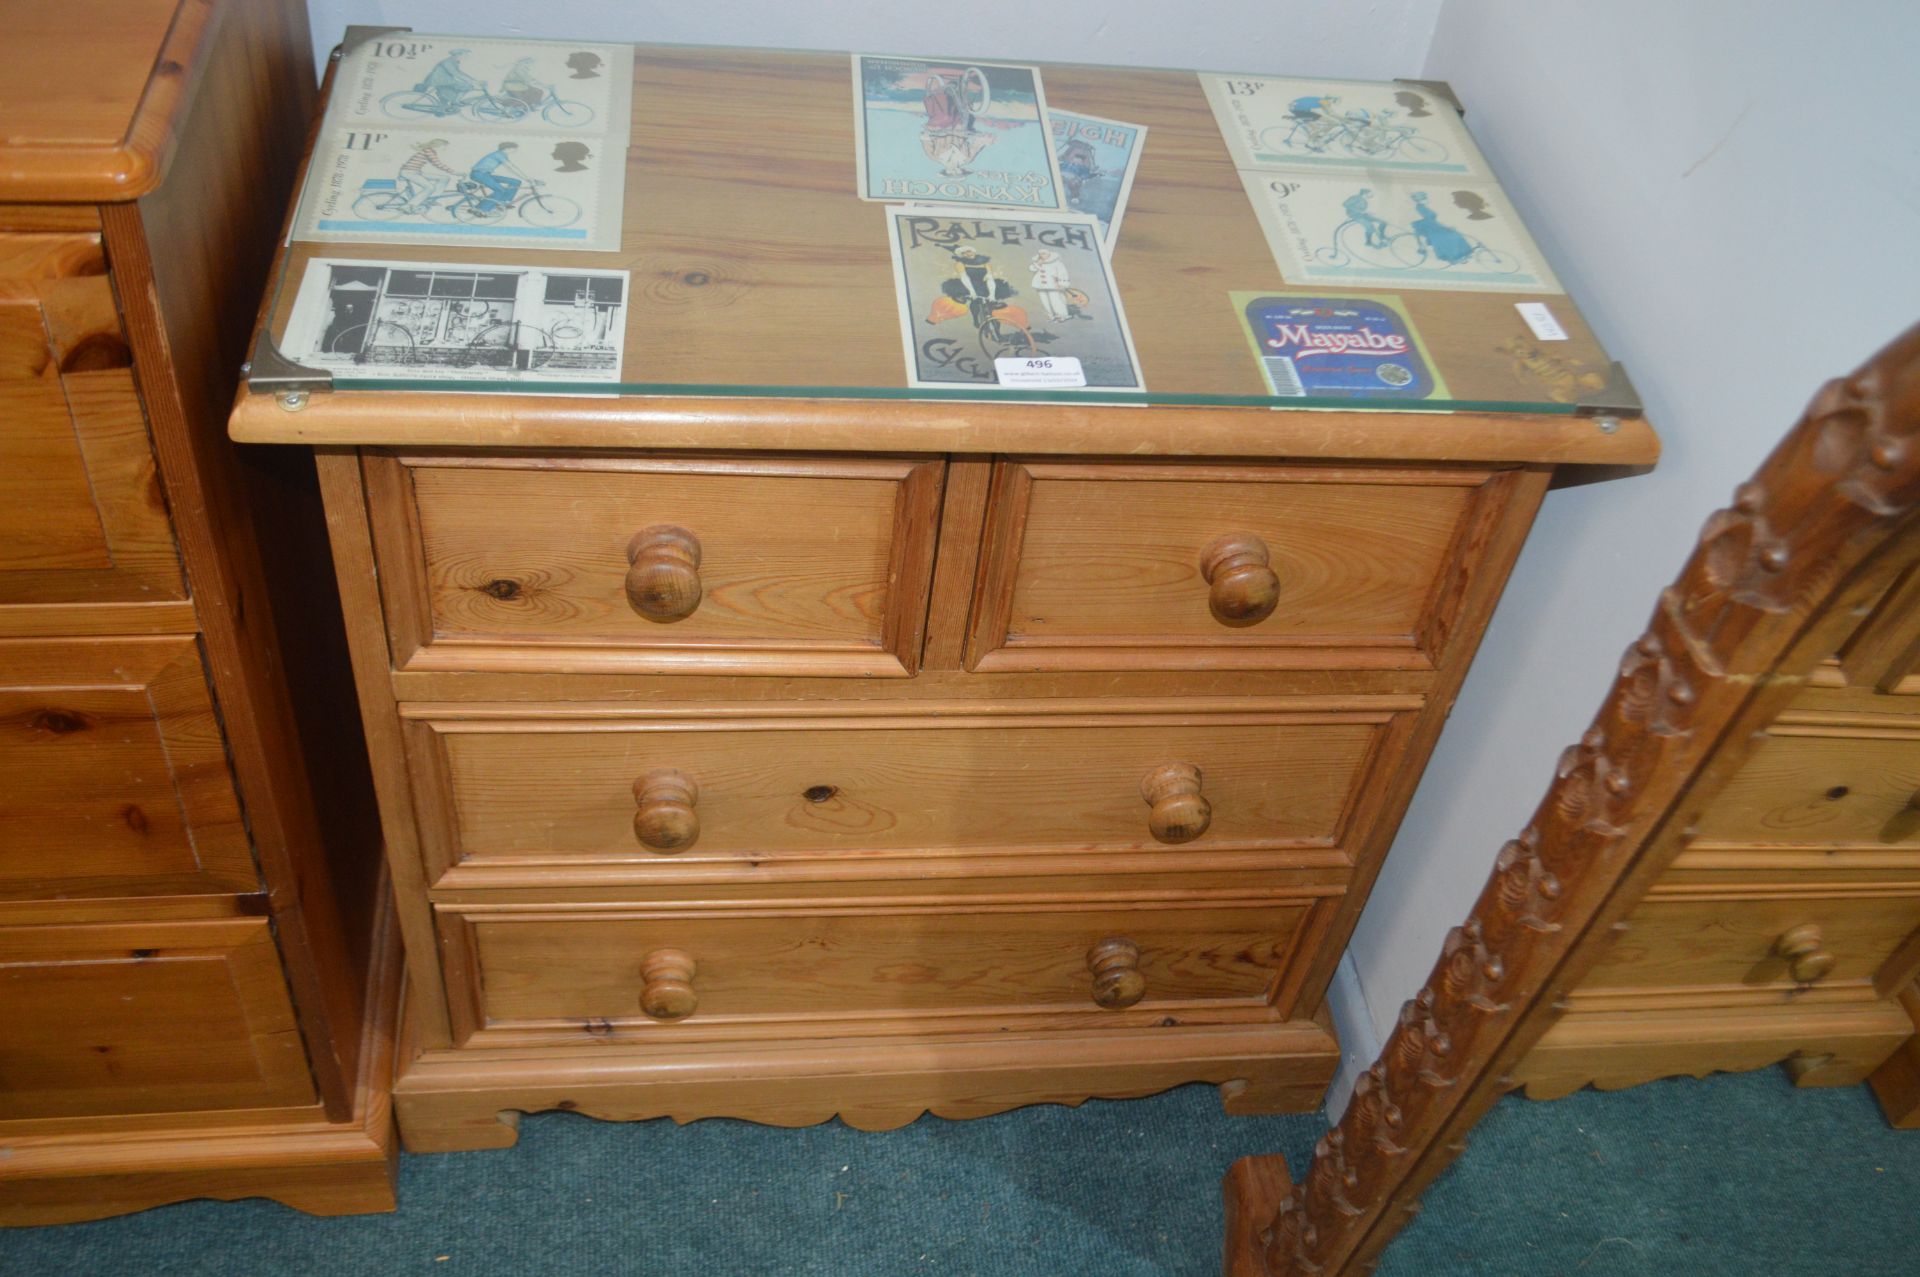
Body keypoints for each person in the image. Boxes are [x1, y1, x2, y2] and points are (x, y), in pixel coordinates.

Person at [920, 71, 993, 177]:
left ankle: (941, 92)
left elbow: (925, 141)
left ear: (945, 170)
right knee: (964, 114)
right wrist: (986, 140)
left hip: (939, 127)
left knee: (946, 117)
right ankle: (959, 91)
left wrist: (927, 134)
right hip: (959, 129)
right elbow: (976, 145)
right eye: (958, 173)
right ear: (962, 170)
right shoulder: (967, 158)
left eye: (950, 173)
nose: (954, 171)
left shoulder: (935, 156)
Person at [1409, 191, 1475, 264]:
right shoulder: (1421, 208)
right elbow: (1431, 221)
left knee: (1455, 234)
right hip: (1432, 229)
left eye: (1425, 198)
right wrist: (1447, 227)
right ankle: (1454, 258)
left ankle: (1461, 255)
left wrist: (1446, 227)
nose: (1426, 200)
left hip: (1433, 226)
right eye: (1423, 199)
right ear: (1418, 201)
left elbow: (1432, 220)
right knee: (1452, 237)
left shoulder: (1423, 207)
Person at [397, 138, 461, 211]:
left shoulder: (431, 151)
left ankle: (432, 198)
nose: (445, 149)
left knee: (445, 178)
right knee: (429, 187)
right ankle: (408, 206)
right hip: (409, 172)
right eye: (444, 147)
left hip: (416, 172)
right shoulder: (428, 151)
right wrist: (454, 172)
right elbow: (437, 164)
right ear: (438, 146)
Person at [413, 49, 477, 115]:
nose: (466, 57)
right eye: (465, 55)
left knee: (445, 98)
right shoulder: (448, 62)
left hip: (444, 81)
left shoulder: (453, 61)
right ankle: (455, 102)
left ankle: (442, 109)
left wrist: (472, 79)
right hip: (440, 81)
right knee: (468, 86)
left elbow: (459, 72)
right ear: (458, 54)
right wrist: (470, 81)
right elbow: (455, 73)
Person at [469, 141, 526, 214]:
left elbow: (511, 167)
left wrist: (526, 178)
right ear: (507, 148)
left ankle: (503, 202)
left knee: (516, 182)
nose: (516, 150)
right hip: (479, 174)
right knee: (500, 190)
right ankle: (481, 208)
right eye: (514, 149)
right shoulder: (499, 154)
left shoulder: (502, 154)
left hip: (486, 174)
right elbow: (511, 167)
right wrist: (527, 178)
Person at [1029, 250, 1074, 322]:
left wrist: (1061, 283)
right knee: (1045, 300)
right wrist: (1038, 264)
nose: (1042, 255)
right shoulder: (1038, 262)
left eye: (1044, 254)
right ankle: (1051, 315)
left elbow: (1063, 273)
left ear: (1048, 254)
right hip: (1040, 284)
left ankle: (1062, 315)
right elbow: (1031, 269)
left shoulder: (1057, 263)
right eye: (1040, 254)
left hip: (1052, 284)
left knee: (1055, 299)